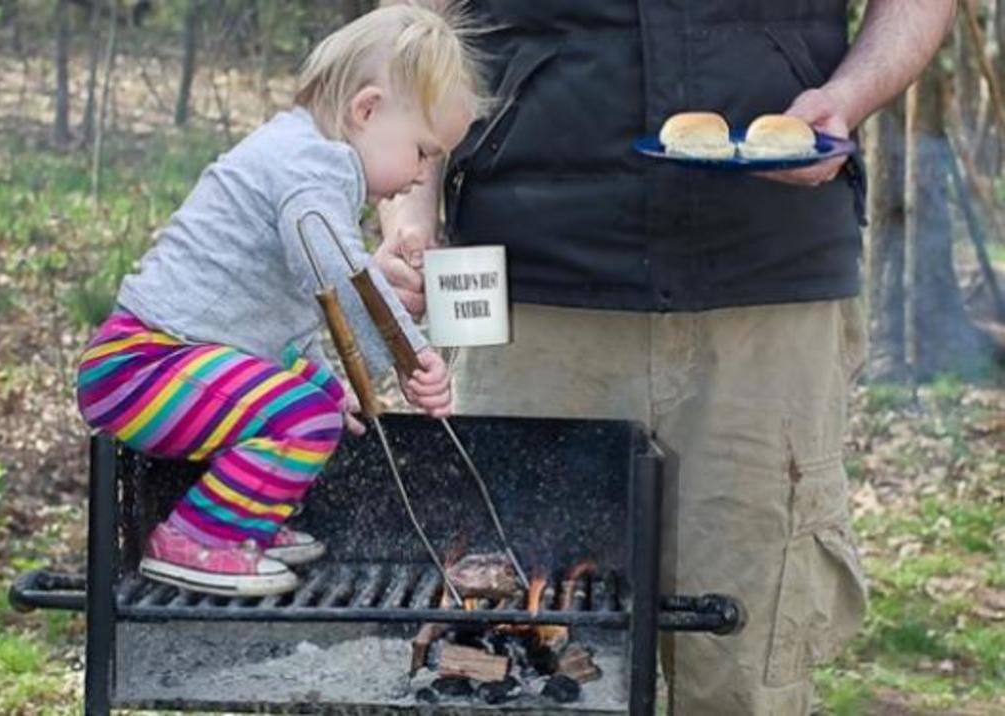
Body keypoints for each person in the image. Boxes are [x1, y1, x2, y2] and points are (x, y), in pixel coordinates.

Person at [376, 1, 956, 713]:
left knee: (741, 671)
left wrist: (846, 97)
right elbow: (412, 14)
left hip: (768, 286)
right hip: (529, 285)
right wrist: (407, 213)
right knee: (516, 661)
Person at [75, 4, 485, 597]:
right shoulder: (312, 168)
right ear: (366, 110)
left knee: (321, 395)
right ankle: (197, 539)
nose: (424, 176)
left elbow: (290, 312)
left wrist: (333, 372)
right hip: (140, 366)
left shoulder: (307, 154)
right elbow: (345, 276)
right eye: (423, 151)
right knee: (306, 417)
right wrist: (414, 356)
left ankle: (250, 517)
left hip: (172, 359)